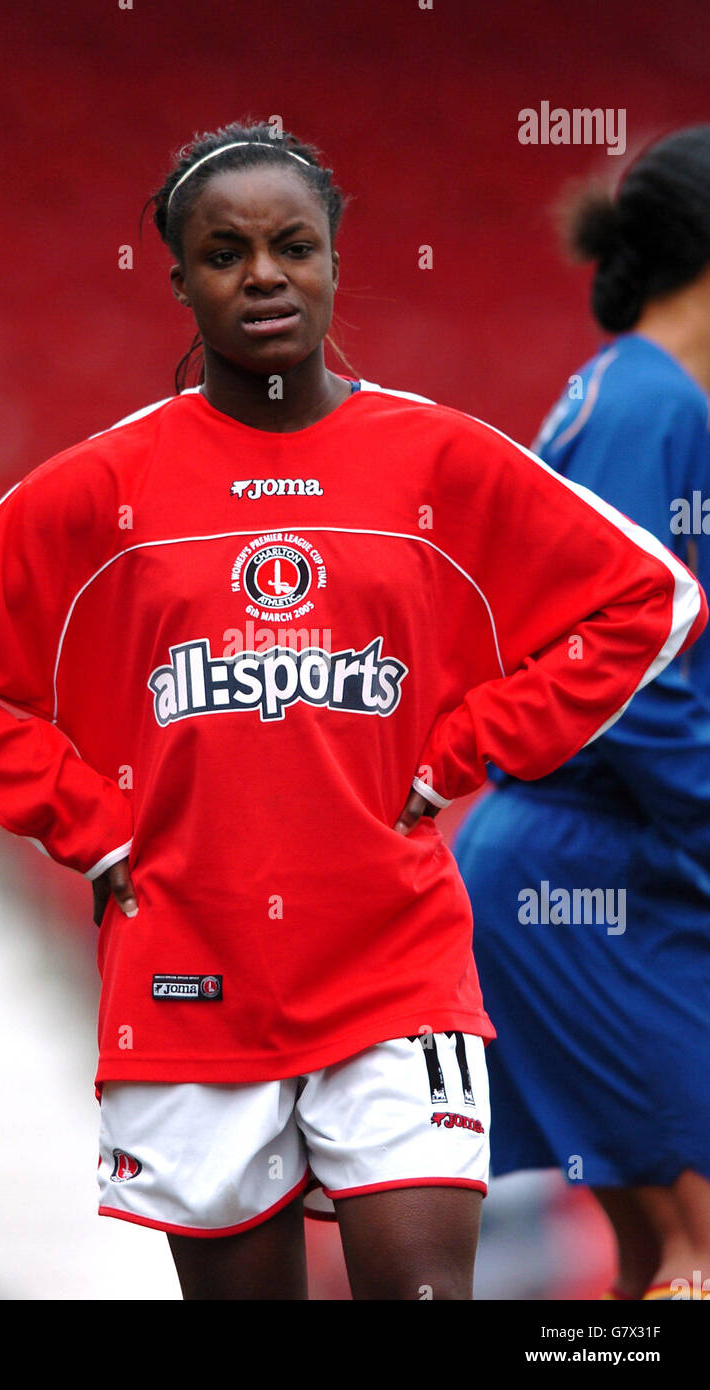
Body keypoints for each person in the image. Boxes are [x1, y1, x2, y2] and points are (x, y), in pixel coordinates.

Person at [0, 119, 706, 1301]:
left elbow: (646, 599)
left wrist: (461, 748)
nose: (262, 274)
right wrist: (88, 824)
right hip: (189, 977)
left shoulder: (433, 456)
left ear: (334, 262)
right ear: (180, 279)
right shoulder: (107, 481)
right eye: (225, 252)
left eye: (291, 246)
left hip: (393, 965)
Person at [453, 125, 710, 1302]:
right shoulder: (646, 407)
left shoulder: (633, 395)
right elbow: (620, 669)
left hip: (590, 858)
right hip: (588, 864)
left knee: (663, 1257)